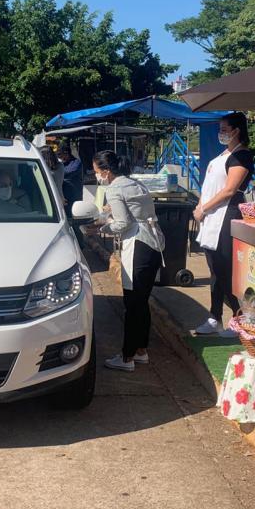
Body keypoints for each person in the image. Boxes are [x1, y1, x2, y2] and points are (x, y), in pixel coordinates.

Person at [87, 150, 165, 372]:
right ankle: (141, 350)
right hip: (154, 243)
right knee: (142, 301)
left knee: (132, 304)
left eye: (96, 172)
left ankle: (127, 356)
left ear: (107, 171)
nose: (96, 176)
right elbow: (133, 211)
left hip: (138, 244)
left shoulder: (114, 188)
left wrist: (100, 228)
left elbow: (121, 224)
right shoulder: (134, 183)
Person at [193, 113, 254, 336]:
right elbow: (208, 186)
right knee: (214, 270)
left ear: (236, 130)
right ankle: (214, 316)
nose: (221, 133)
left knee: (225, 270)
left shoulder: (242, 156)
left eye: (224, 128)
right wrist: (200, 207)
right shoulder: (222, 155)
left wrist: (204, 208)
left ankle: (241, 319)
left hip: (226, 215)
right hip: (210, 217)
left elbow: (229, 190)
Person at [58, 143, 83, 217]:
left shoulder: (77, 163)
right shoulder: (61, 164)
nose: (60, 157)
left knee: (73, 215)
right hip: (63, 196)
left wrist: (57, 170)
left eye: (60, 154)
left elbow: (67, 173)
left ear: (66, 153)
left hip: (74, 196)